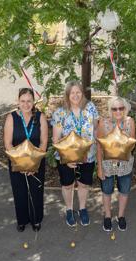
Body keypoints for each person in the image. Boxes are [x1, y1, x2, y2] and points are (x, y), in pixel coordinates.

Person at [51, 81, 99, 227]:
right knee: (67, 185)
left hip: (88, 155)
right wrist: (67, 159)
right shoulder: (60, 113)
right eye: (72, 92)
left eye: (78, 92)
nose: (76, 95)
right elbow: (55, 139)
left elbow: (96, 128)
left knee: (84, 184)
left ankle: (82, 208)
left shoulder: (90, 107)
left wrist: (97, 146)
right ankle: (69, 209)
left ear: (82, 93)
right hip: (66, 157)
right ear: (67, 95)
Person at [4, 88, 48, 232]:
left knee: (36, 191)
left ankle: (36, 219)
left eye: (29, 101)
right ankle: (22, 220)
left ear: (33, 101)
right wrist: (20, 163)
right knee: (20, 191)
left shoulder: (40, 117)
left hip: (37, 162)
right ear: (18, 101)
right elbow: (8, 144)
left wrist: (33, 164)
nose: (26, 104)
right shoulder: (11, 118)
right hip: (17, 163)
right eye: (23, 101)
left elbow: (43, 142)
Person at [97, 96, 136, 232]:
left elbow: (132, 145)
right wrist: (99, 168)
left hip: (125, 164)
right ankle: (107, 216)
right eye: (114, 109)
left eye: (121, 108)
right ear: (110, 110)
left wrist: (119, 150)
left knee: (124, 191)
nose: (118, 111)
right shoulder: (103, 123)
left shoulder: (130, 122)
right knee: (106, 191)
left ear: (125, 109)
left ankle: (121, 216)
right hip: (107, 164)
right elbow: (99, 146)